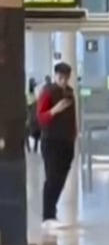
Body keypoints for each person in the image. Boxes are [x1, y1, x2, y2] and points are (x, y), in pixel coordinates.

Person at [36, 63, 77, 230]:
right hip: (51, 141)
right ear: (55, 76)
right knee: (52, 177)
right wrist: (55, 110)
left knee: (61, 178)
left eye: (66, 78)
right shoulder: (48, 92)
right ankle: (47, 215)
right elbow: (40, 118)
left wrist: (74, 134)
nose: (63, 81)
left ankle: (52, 212)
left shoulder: (70, 93)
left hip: (66, 141)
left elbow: (72, 117)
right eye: (60, 77)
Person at [25, 78, 40, 153]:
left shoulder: (34, 93)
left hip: (33, 114)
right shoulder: (28, 94)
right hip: (30, 114)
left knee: (35, 131)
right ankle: (30, 147)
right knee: (27, 131)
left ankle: (33, 147)